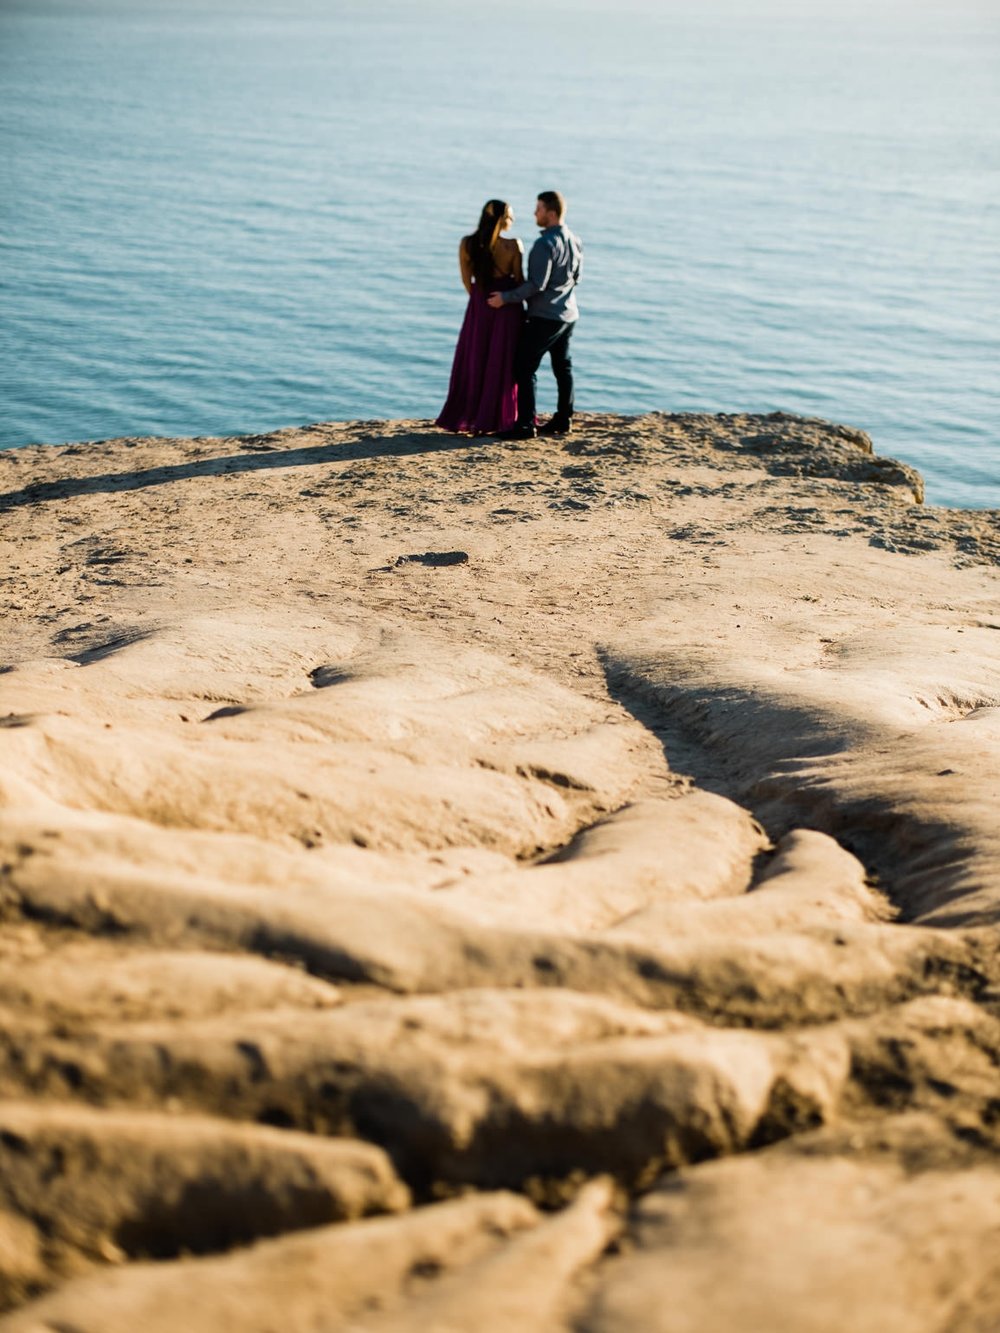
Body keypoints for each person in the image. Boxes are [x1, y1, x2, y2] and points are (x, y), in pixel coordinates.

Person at [488, 190, 582, 438]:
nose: (534, 213)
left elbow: (536, 284)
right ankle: (564, 419)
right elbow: (577, 278)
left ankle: (526, 425)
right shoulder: (574, 239)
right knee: (563, 367)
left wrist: (505, 298)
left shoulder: (544, 244)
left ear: (550, 213)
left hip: (545, 316)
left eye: (538, 209)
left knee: (524, 367)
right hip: (569, 313)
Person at [436, 199, 524, 435]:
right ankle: (495, 418)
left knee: (475, 359)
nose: (512, 221)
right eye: (510, 216)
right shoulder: (513, 246)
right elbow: (519, 281)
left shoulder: (467, 244)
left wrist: (480, 301)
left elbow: (467, 280)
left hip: (479, 306)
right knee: (501, 362)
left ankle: (470, 415)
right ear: (501, 218)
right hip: (506, 309)